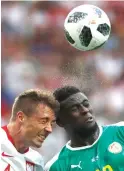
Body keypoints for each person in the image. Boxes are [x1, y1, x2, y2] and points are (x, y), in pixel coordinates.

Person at [45, 86, 124, 171]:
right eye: (74, 109)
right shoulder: (57, 166)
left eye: (86, 104)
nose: (85, 110)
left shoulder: (121, 131)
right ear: (60, 122)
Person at [1, 89, 59, 171]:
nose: (49, 129)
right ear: (21, 117)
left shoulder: (36, 161)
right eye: (43, 121)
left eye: (51, 124)